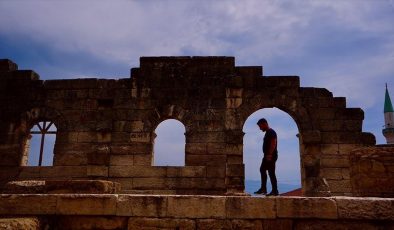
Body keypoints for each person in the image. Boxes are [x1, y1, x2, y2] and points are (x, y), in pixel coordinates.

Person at [254, 118, 279, 196]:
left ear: (264, 124)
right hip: (267, 155)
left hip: (270, 155)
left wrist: (269, 154)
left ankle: (274, 191)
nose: (260, 128)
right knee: (263, 170)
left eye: (260, 126)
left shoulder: (271, 132)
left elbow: (273, 143)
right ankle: (264, 189)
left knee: (271, 172)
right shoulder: (268, 132)